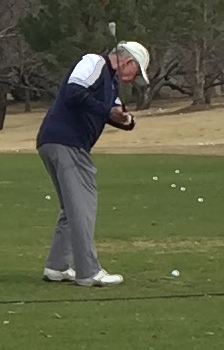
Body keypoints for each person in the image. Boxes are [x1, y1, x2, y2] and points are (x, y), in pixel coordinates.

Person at [36, 37, 147, 286]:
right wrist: (107, 111)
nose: (134, 79)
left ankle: (57, 267)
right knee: (83, 207)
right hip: (67, 143)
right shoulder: (94, 62)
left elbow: (115, 115)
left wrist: (126, 120)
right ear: (128, 62)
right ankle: (88, 272)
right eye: (136, 72)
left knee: (71, 208)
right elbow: (74, 93)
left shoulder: (111, 84)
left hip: (55, 141)